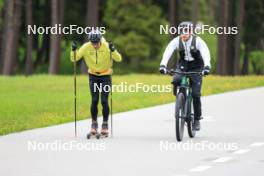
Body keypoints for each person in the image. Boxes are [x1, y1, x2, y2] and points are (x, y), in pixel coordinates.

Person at [159, 21, 211, 131]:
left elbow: (206, 53)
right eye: (182, 32)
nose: (184, 35)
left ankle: (196, 119)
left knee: (196, 94)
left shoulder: (198, 41)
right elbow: (168, 51)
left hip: (197, 66)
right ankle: (180, 99)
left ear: (191, 32)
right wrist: (163, 65)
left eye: (186, 32)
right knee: (177, 79)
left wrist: (207, 67)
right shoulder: (176, 41)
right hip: (183, 65)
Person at [71, 30, 122, 136]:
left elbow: (119, 59)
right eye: (93, 43)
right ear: (90, 41)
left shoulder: (107, 46)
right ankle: (94, 125)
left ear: (100, 40)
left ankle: (105, 125)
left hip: (106, 76)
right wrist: (73, 50)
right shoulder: (86, 47)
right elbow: (74, 58)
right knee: (94, 100)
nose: (95, 45)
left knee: (104, 101)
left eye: (97, 43)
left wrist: (113, 50)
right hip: (93, 76)